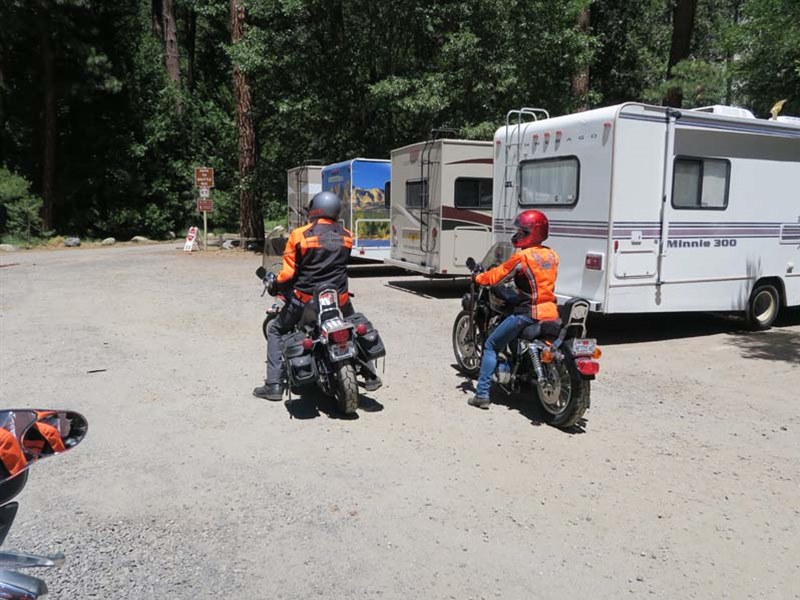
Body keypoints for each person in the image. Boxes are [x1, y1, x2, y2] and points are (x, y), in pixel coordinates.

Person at [253, 191, 381, 400]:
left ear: (315, 210)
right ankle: (370, 375)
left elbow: (288, 274)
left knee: (276, 329)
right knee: (353, 325)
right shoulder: (346, 235)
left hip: (307, 301)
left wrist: (276, 283)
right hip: (339, 299)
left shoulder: (300, 235)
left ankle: (273, 385)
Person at [468, 209, 559, 409]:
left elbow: (497, 275)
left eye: (521, 232)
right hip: (551, 311)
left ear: (531, 233)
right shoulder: (552, 255)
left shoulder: (523, 257)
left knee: (491, 345)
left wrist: (478, 277)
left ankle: (482, 394)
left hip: (528, 313)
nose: (517, 235)